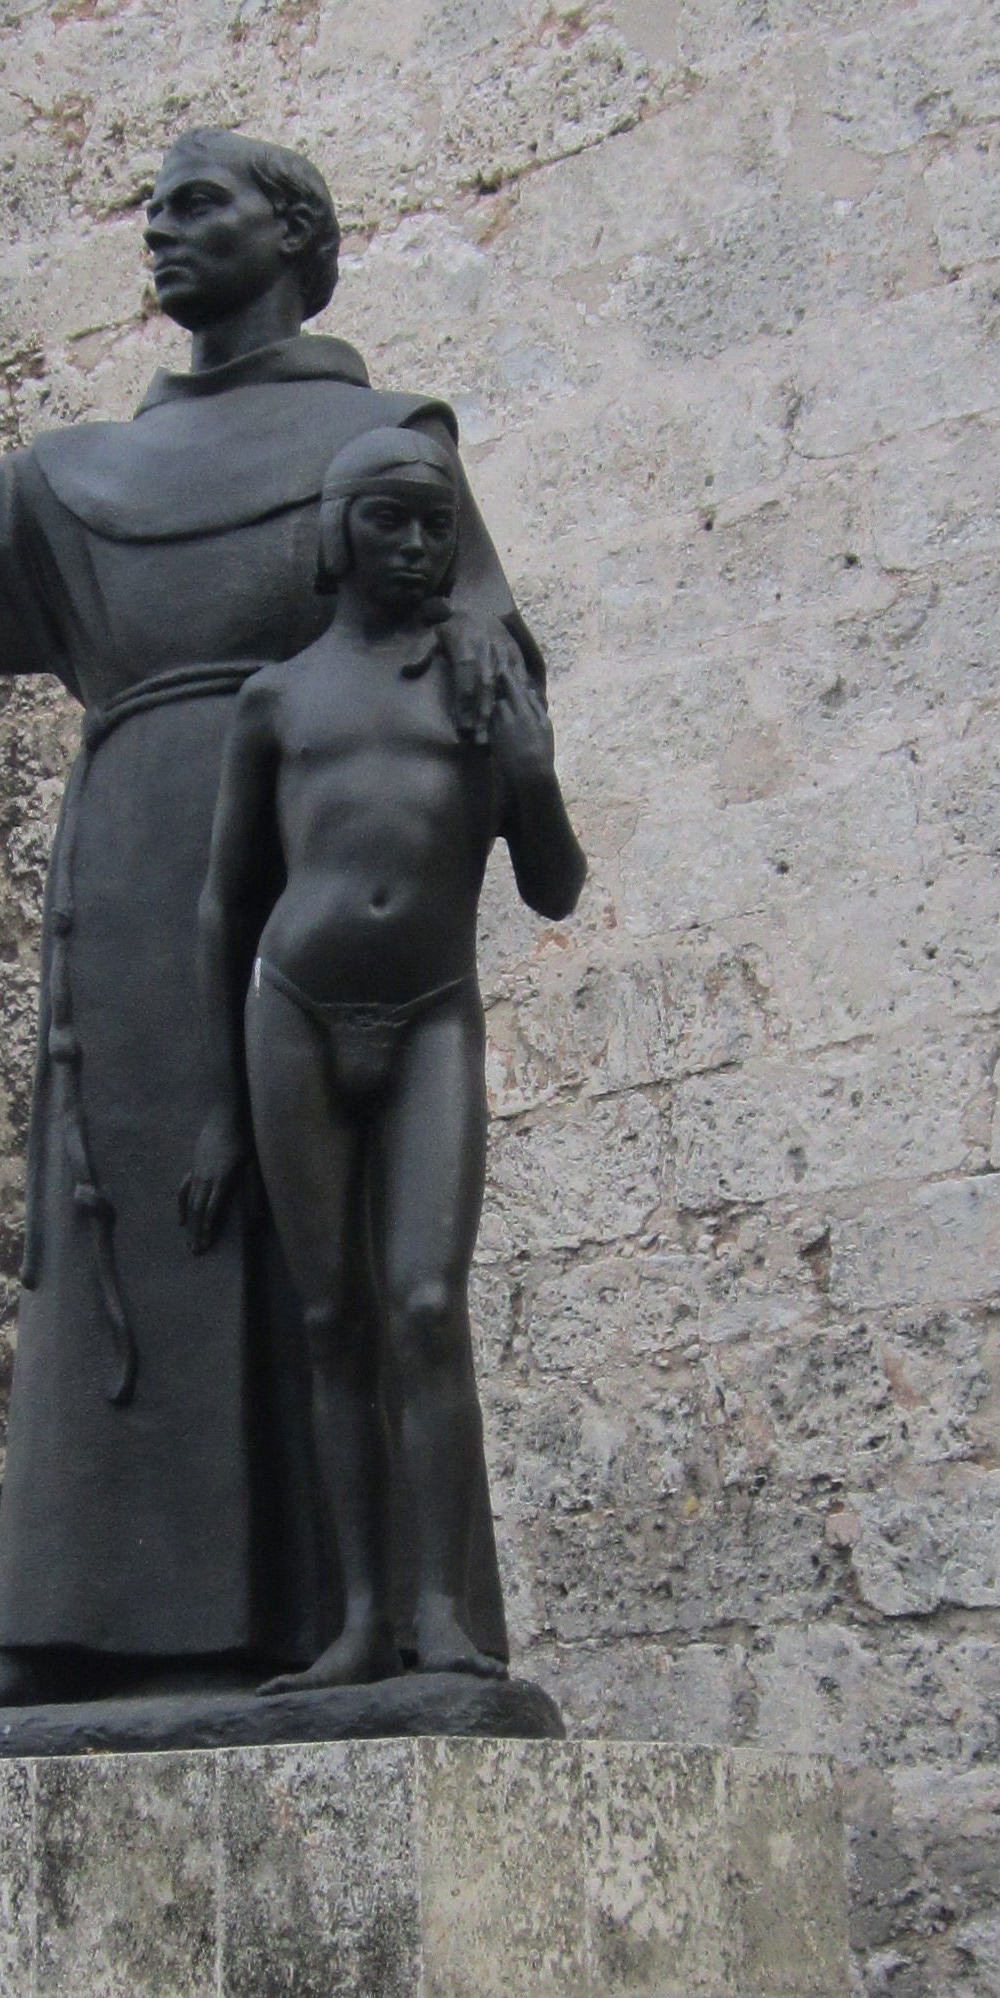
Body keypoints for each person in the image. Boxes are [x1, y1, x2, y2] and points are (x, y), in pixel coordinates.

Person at [0, 131, 543, 1714]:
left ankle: (384, 1632)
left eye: (196, 206)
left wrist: (489, 687)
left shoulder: (388, 441)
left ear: (291, 235)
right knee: (122, 1226)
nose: (158, 232)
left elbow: (480, 637)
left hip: (324, 864)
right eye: (148, 210)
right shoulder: (76, 477)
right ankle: (66, 1637)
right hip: (140, 884)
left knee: (342, 1265)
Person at [182, 419, 586, 1687]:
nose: (414, 546)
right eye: (389, 521)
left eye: (434, 526)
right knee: (330, 1317)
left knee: (423, 1302)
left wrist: (531, 772)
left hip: (428, 1014)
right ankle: (359, 1618)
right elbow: (224, 900)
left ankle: (442, 1608)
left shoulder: (481, 680)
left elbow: (557, 888)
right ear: (336, 533)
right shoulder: (278, 697)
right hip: (290, 1009)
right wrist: (214, 1108)